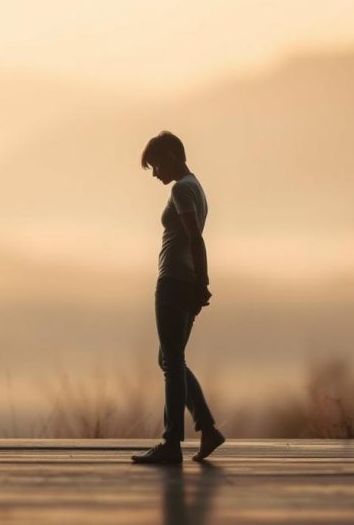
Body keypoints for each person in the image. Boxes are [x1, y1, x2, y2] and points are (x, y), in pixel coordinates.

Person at [132, 131, 225, 464]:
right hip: (186, 283)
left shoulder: (181, 189)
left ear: (172, 155)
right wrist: (200, 283)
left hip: (174, 282)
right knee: (171, 359)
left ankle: (172, 443)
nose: (155, 173)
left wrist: (203, 281)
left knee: (171, 363)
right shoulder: (196, 186)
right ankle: (207, 428)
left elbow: (194, 237)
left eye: (156, 165)